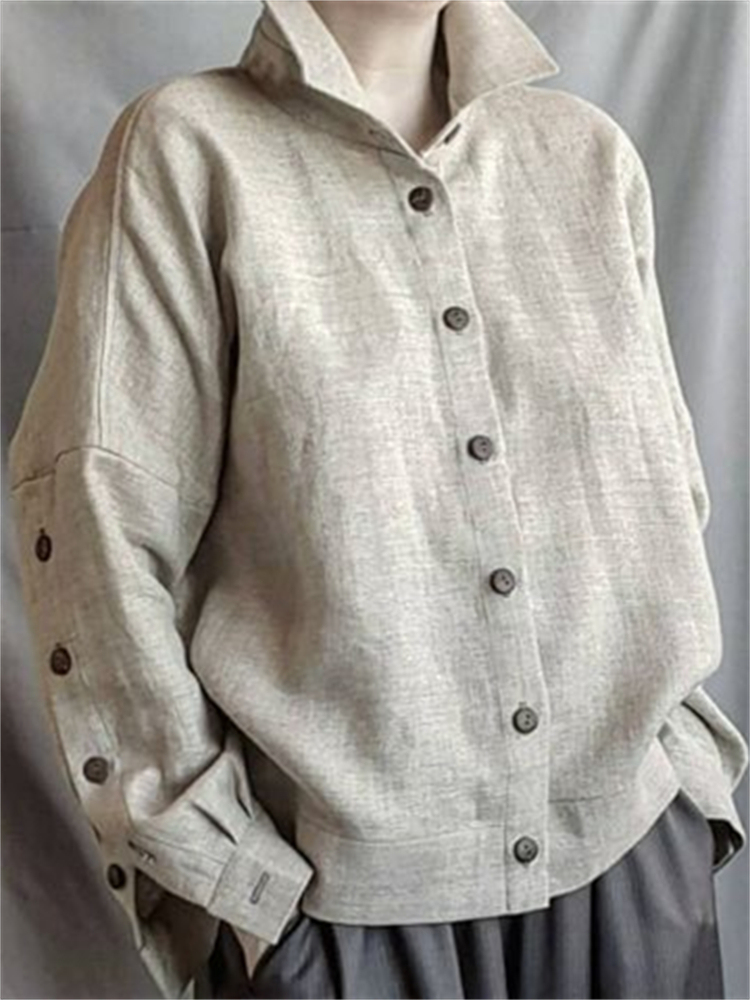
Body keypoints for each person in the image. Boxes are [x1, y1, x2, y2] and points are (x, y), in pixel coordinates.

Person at [7, 2, 748, 998]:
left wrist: (688, 789)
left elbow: (666, 495)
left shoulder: (587, 159)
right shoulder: (188, 154)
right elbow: (93, 529)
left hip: (632, 865)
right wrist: (235, 883)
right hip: (346, 909)